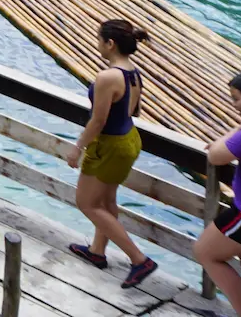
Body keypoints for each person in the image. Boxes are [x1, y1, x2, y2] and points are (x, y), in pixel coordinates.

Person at [66, 19, 156, 287]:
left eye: (99, 40)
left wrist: (77, 148)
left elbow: (98, 120)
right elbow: (134, 110)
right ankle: (97, 252)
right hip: (128, 139)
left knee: (87, 203)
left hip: (110, 144)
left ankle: (140, 260)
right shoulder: (133, 72)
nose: (97, 45)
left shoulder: (108, 77)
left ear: (110, 43)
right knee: (106, 202)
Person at [195, 74, 241, 317]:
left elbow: (216, 155)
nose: (234, 105)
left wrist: (239, 128)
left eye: (237, 99)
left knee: (205, 252)